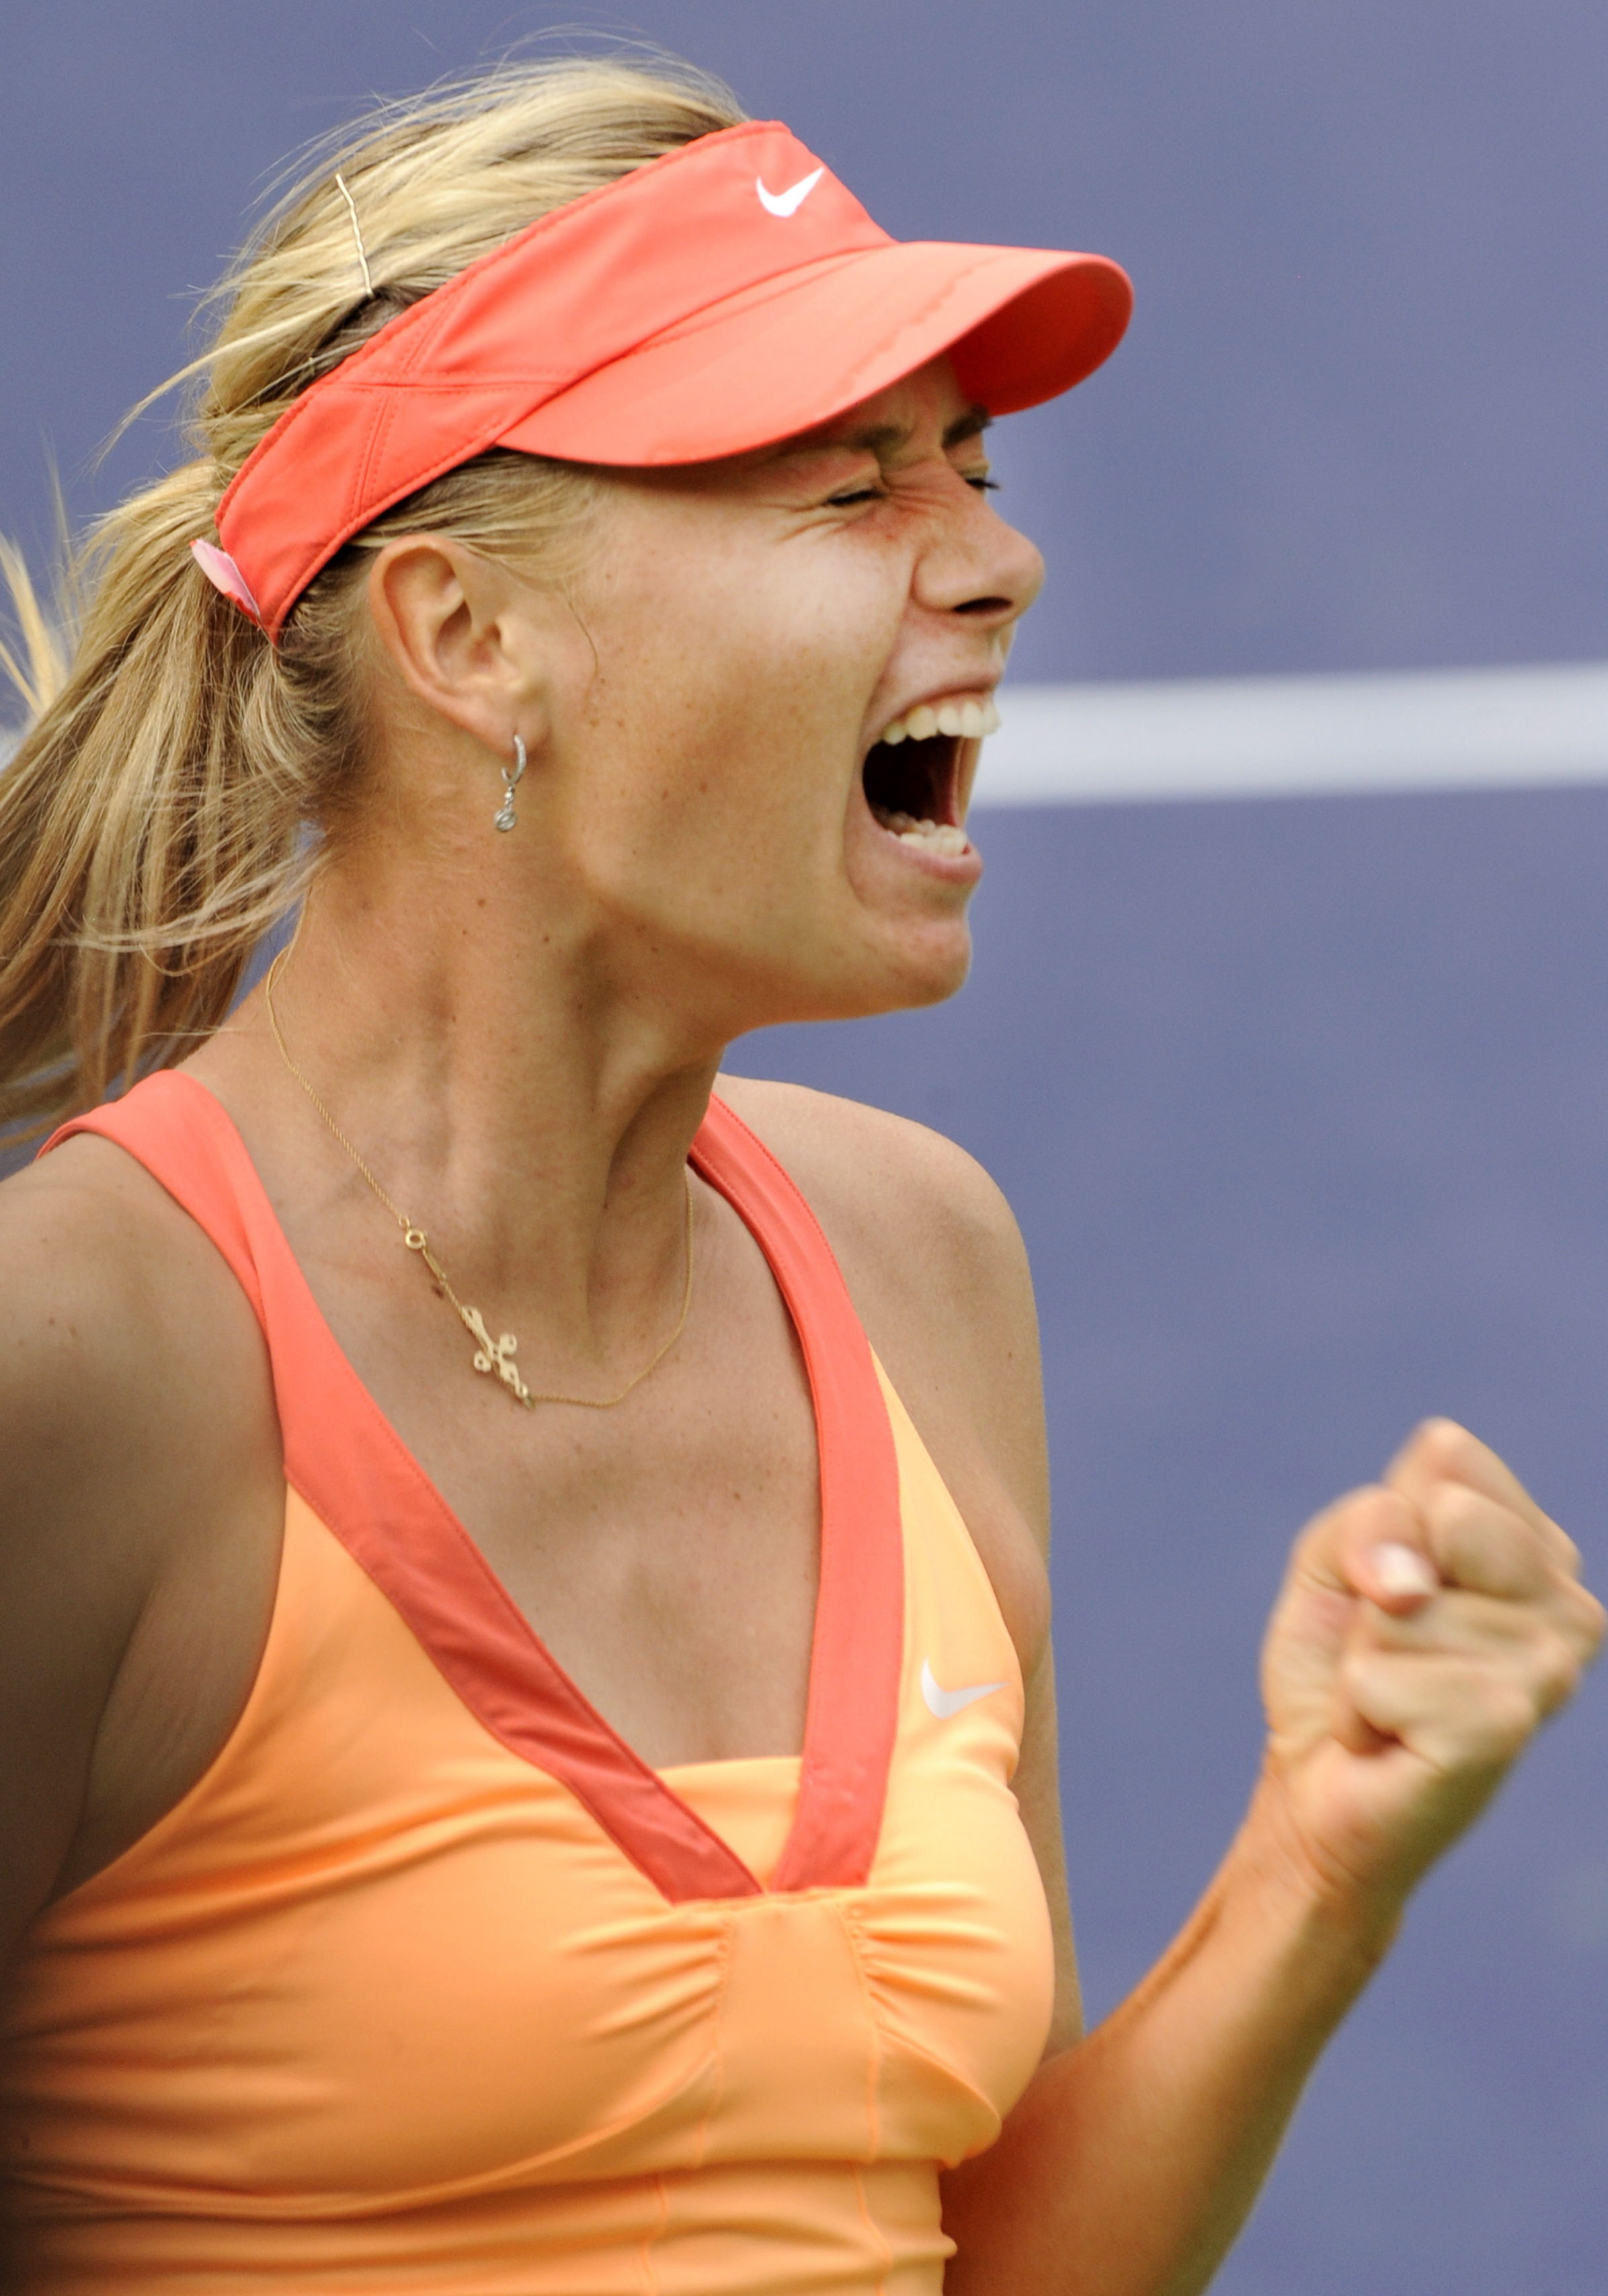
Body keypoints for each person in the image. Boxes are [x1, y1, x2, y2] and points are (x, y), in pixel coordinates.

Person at [0, 52, 1598, 2296]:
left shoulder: (917, 1255)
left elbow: (972, 2249)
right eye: (853, 489)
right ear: (470, 638)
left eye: (973, 467)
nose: (1004, 559)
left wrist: (1314, 1873)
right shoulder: (79, 1367)